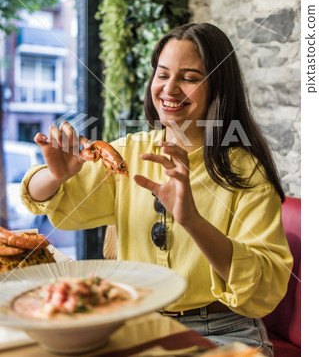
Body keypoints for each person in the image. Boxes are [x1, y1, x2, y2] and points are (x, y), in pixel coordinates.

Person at [21, 23, 293, 356]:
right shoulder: (128, 152)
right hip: (136, 319)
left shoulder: (247, 172)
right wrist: (56, 176)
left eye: (189, 78)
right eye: (162, 75)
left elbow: (266, 288)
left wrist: (192, 220)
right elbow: (47, 202)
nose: (170, 89)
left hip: (223, 332)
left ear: (218, 88)